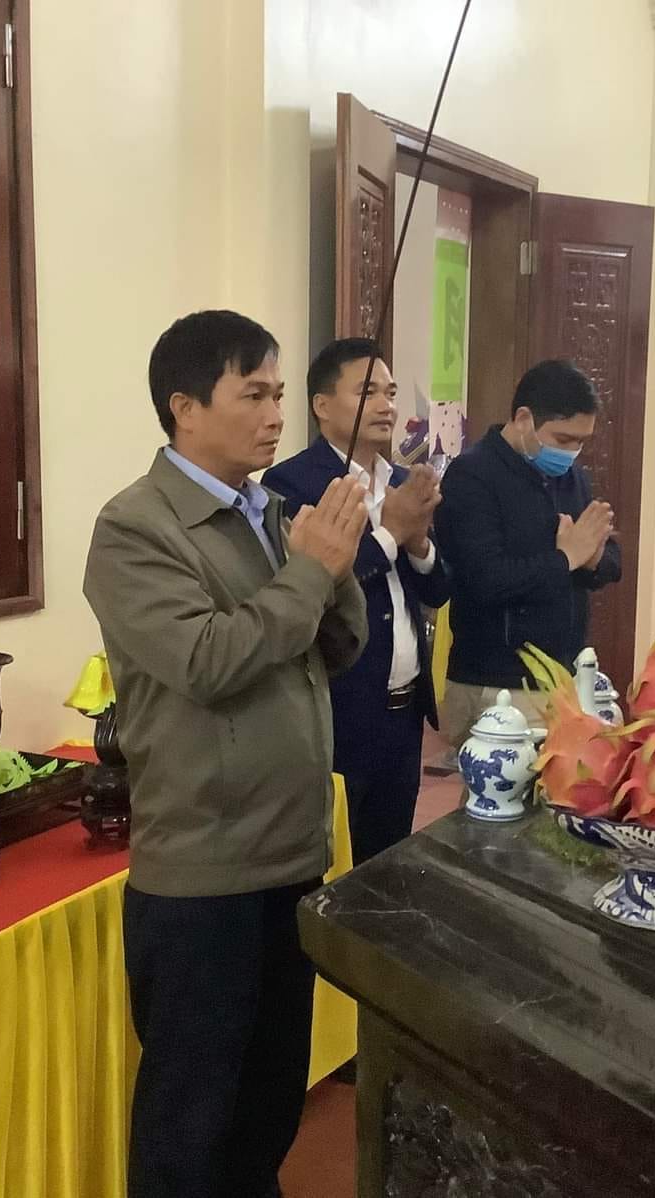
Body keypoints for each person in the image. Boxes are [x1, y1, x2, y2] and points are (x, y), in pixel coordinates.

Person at [83, 311, 369, 1198]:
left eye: (279, 393)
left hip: (290, 855)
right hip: (204, 876)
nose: (276, 414)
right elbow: (207, 661)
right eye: (254, 394)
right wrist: (309, 571)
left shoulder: (270, 513)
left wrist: (336, 563)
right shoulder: (136, 527)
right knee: (189, 1124)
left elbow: (334, 650)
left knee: (268, 1104)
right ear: (185, 407)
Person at [264, 338, 449, 864]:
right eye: (367, 392)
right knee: (338, 862)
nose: (386, 405)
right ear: (322, 405)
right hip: (344, 708)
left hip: (405, 712)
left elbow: (438, 589)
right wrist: (390, 534)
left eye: (391, 392)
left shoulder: (402, 481)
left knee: (392, 860)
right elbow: (315, 584)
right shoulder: (293, 482)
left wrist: (419, 544)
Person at [435, 359, 621, 746]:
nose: (572, 452)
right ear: (523, 419)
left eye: (581, 442)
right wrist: (565, 560)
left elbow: (610, 559)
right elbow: (486, 579)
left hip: (563, 674)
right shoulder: (472, 476)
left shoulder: (571, 478)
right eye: (563, 439)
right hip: (497, 680)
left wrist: (592, 560)